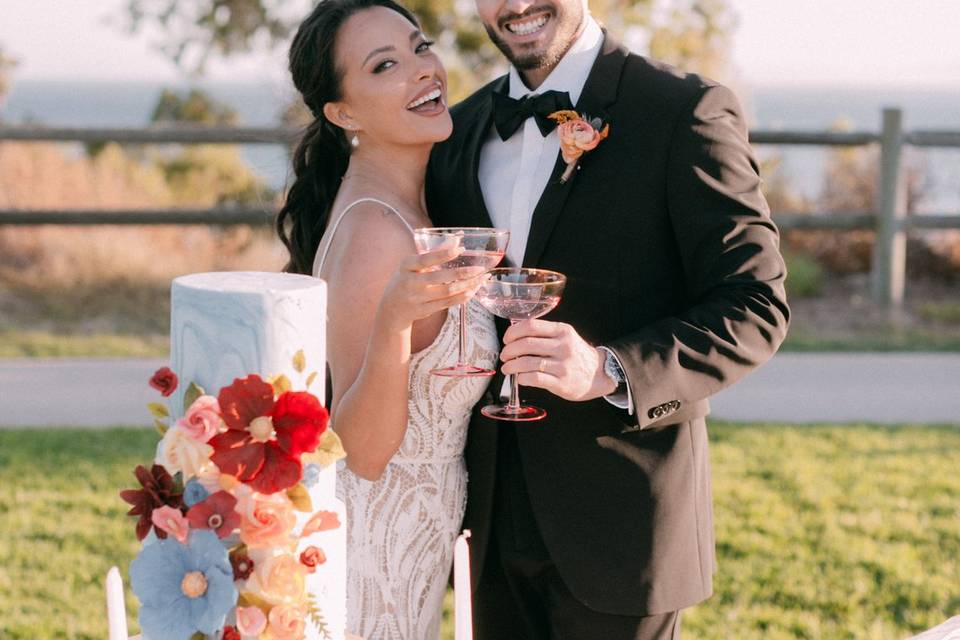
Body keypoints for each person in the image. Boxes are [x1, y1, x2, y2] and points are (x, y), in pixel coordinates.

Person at [426, 0, 791, 638]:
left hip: (623, 525)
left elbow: (756, 302)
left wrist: (607, 368)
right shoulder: (458, 130)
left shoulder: (682, 111)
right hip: (485, 524)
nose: (513, 5)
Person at [276, 2, 499, 638]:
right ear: (343, 114)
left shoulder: (410, 208)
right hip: (375, 553)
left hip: (418, 540)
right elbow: (362, 452)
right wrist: (394, 324)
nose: (422, 70)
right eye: (385, 65)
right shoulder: (378, 232)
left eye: (419, 46)